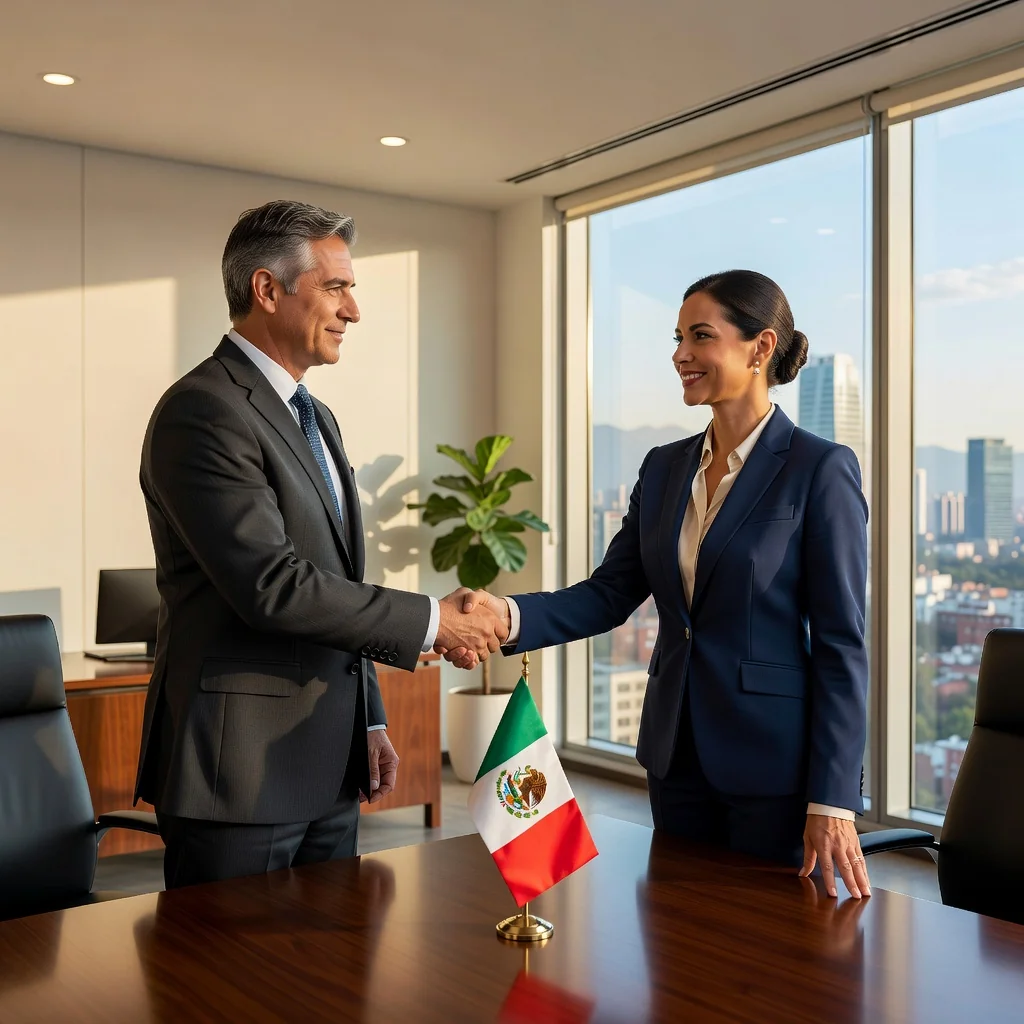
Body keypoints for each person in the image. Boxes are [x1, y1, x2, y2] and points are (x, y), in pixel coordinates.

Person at [444, 270, 871, 899]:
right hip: (675, 754)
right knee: (677, 943)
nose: (680, 355)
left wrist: (833, 797)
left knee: (772, 961)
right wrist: (505, 615)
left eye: (701, 336)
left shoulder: (820, 469)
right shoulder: (664, 467)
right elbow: (610, 592)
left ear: (760, 348)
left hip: (773, 767)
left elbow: (842, 644)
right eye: (677, 338)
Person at [135, 199, 503, 888]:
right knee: (230, 989)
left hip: (329, 764)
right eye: (336, 287)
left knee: (328, 985)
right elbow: (273, 586)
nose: (352, 310)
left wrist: (367, 718)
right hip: (239, 774)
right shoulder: (202, 411)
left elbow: (332, 574)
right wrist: (432, 619)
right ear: (267, 290)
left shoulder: (315, 415)